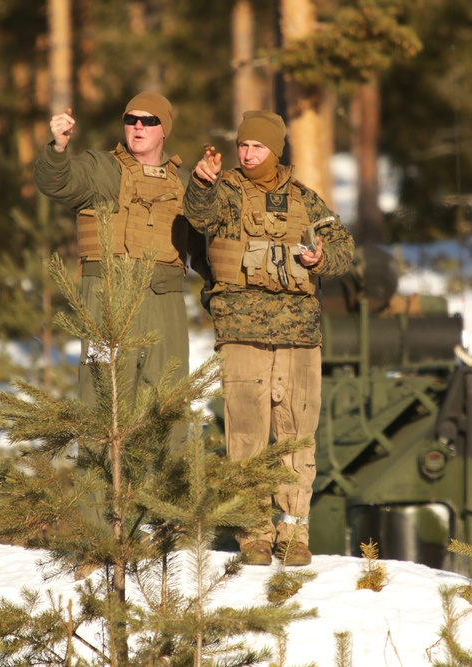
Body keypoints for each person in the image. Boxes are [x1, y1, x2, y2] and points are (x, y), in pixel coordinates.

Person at [184, 110, 354, 567]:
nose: (248, 153)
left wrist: (322, 259)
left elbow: (343, 247)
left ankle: (294, 534)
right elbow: (198, 216)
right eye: (243, 145)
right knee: (246, 436)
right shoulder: (224, 193)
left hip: (299, 334)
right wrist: (201, 183)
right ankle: (254, 534)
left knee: (296, 436)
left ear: (275, 151)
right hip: (241, 331)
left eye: (258, 146)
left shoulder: (305, 200)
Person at [34, 92, 208, 417]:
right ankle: (101, 470)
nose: (138, 126)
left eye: (149, 120)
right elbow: (56, 182)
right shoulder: (102, 169)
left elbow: (204, 250)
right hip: (107, 301)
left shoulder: (184, 183)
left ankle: (164, 470)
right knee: (103, 402)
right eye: (131, 119)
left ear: (164, 129)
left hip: (165, 303)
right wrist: (58, 147)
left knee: (167, 406)